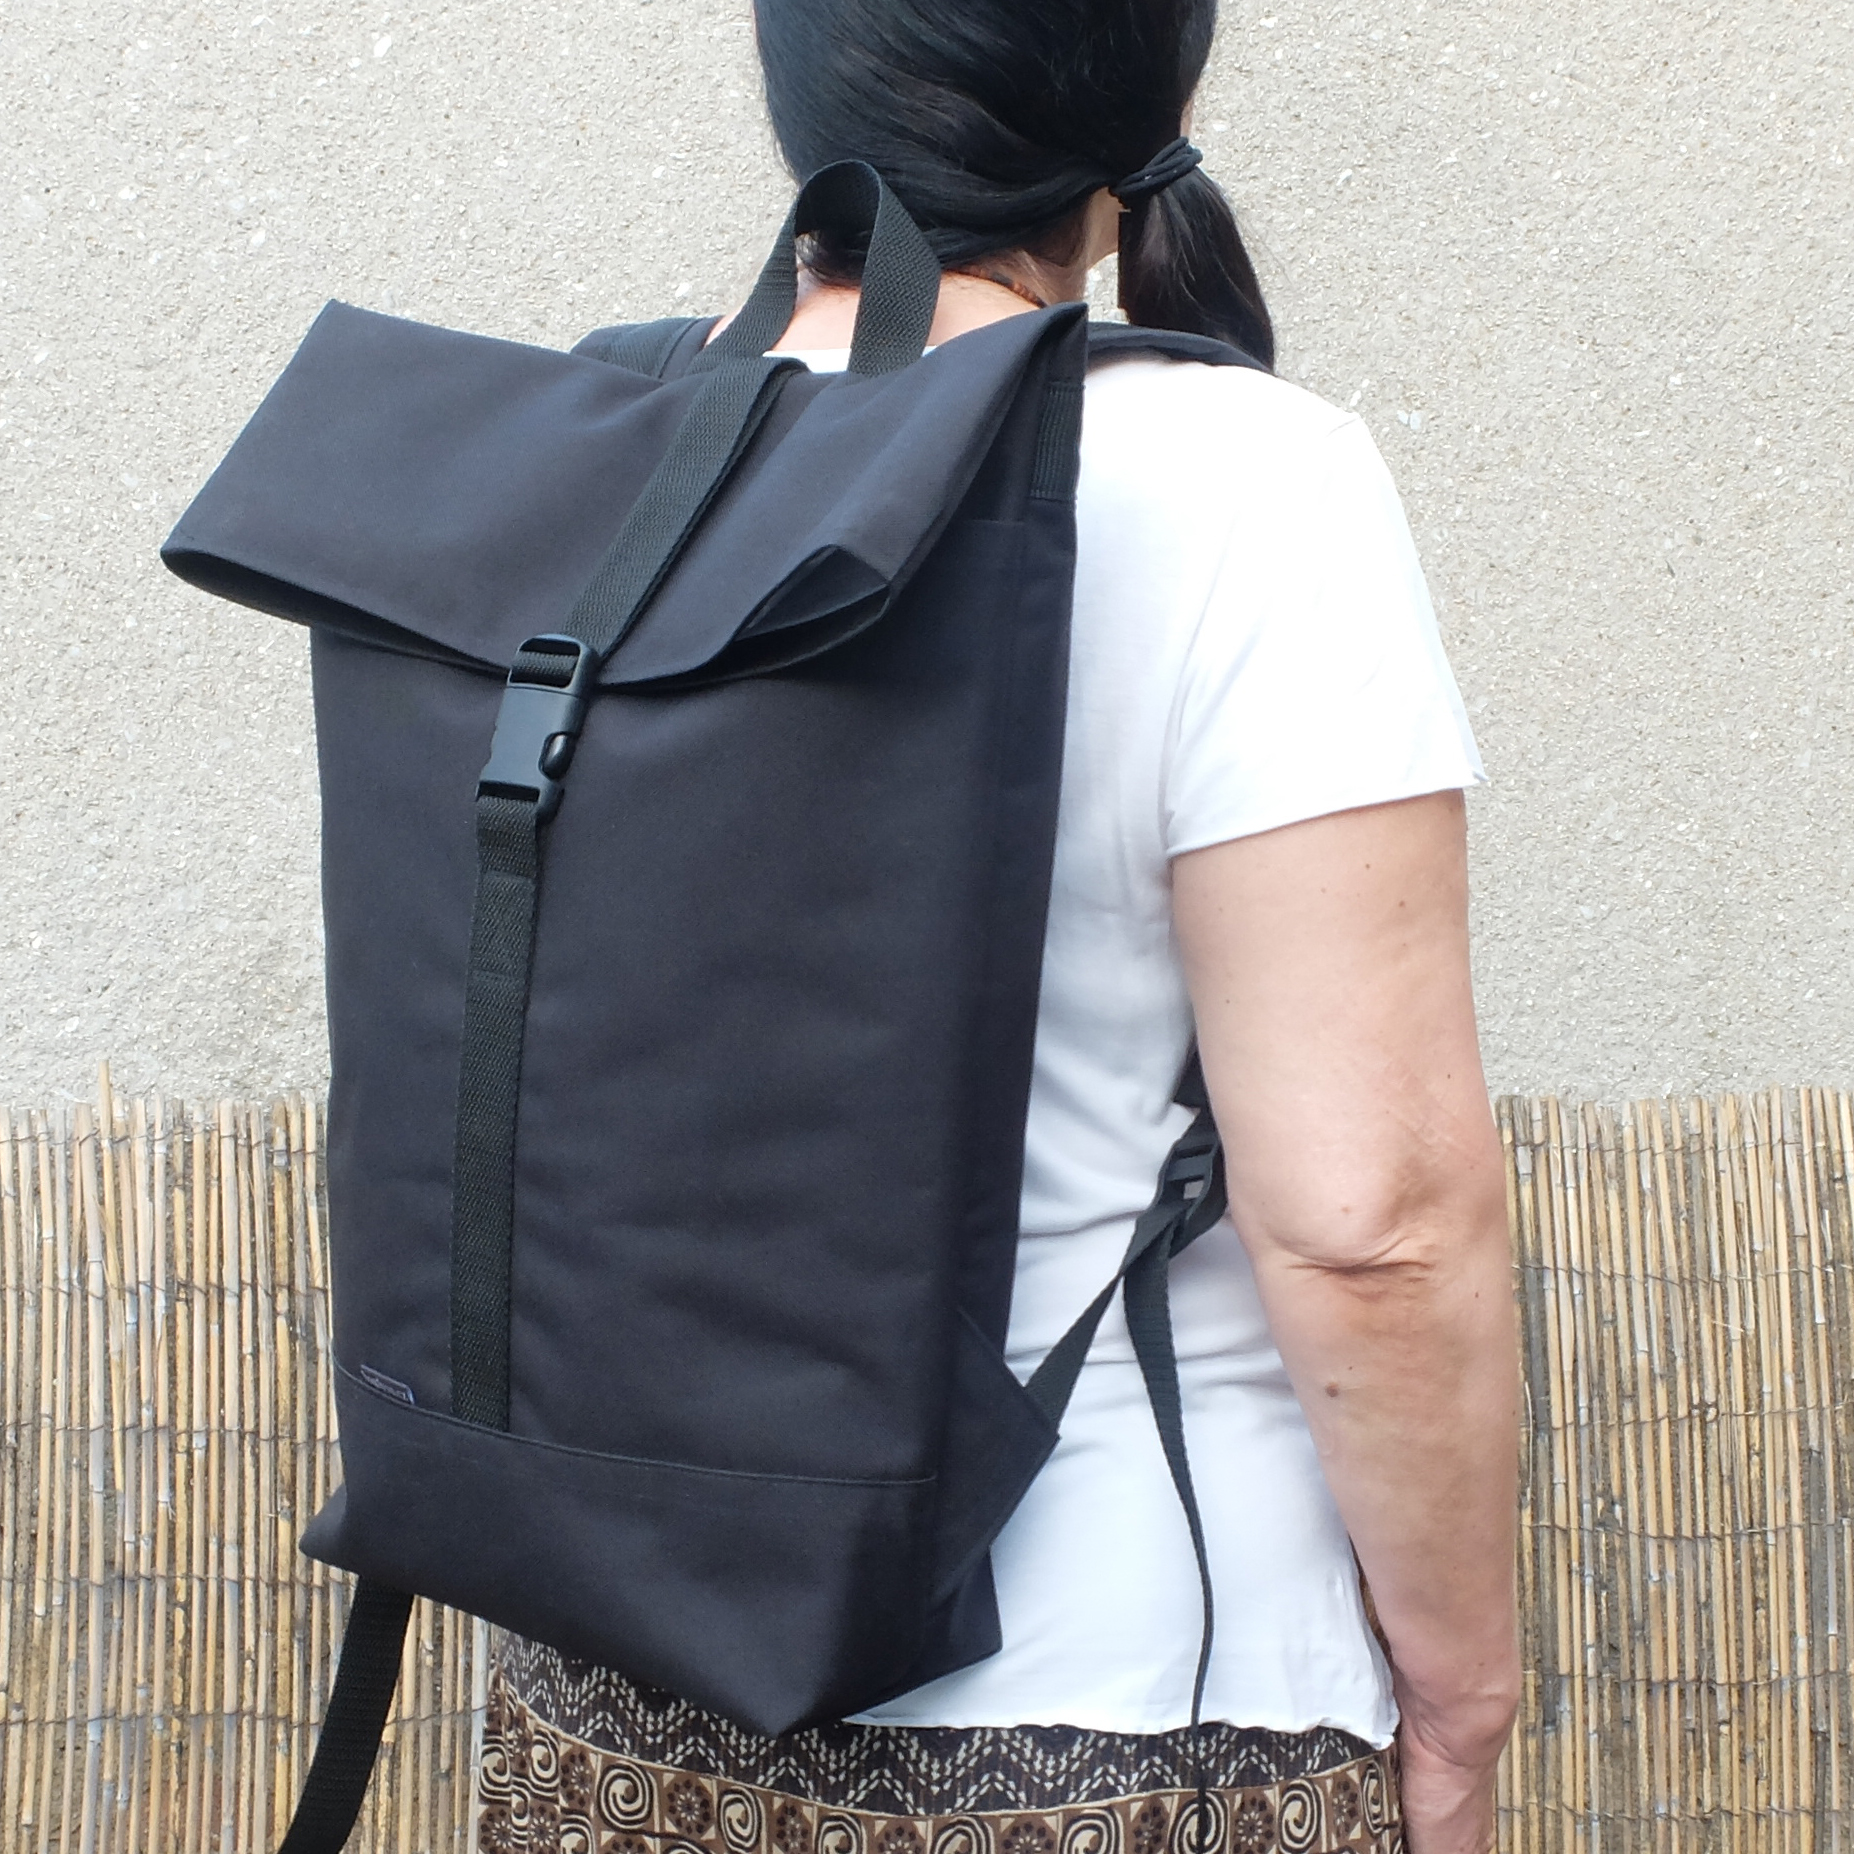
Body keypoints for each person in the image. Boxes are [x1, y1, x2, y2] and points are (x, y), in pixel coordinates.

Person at [478, 4, 1521, 1852]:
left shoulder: (601, 439)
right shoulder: (1242, 478)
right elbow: (1370, 1221)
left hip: (613, 1677)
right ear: (1156, 98)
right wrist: (1464, 1690)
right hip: (1114, 1695)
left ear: (797, 87)